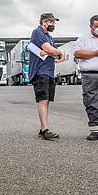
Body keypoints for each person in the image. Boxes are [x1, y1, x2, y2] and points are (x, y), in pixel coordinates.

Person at [29, 13, 63, 141]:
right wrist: (54, 52)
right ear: (44, 22)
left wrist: (53, 52)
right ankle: (44, 130)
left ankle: (43, 127)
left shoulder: (49, 36)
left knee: (47, 100)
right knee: (43, 100)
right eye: (52, 22)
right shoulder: (37, 33)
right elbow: (53, 51)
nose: (53, 25)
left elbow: (56, 54)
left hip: (49, 71)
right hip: (40, 71)